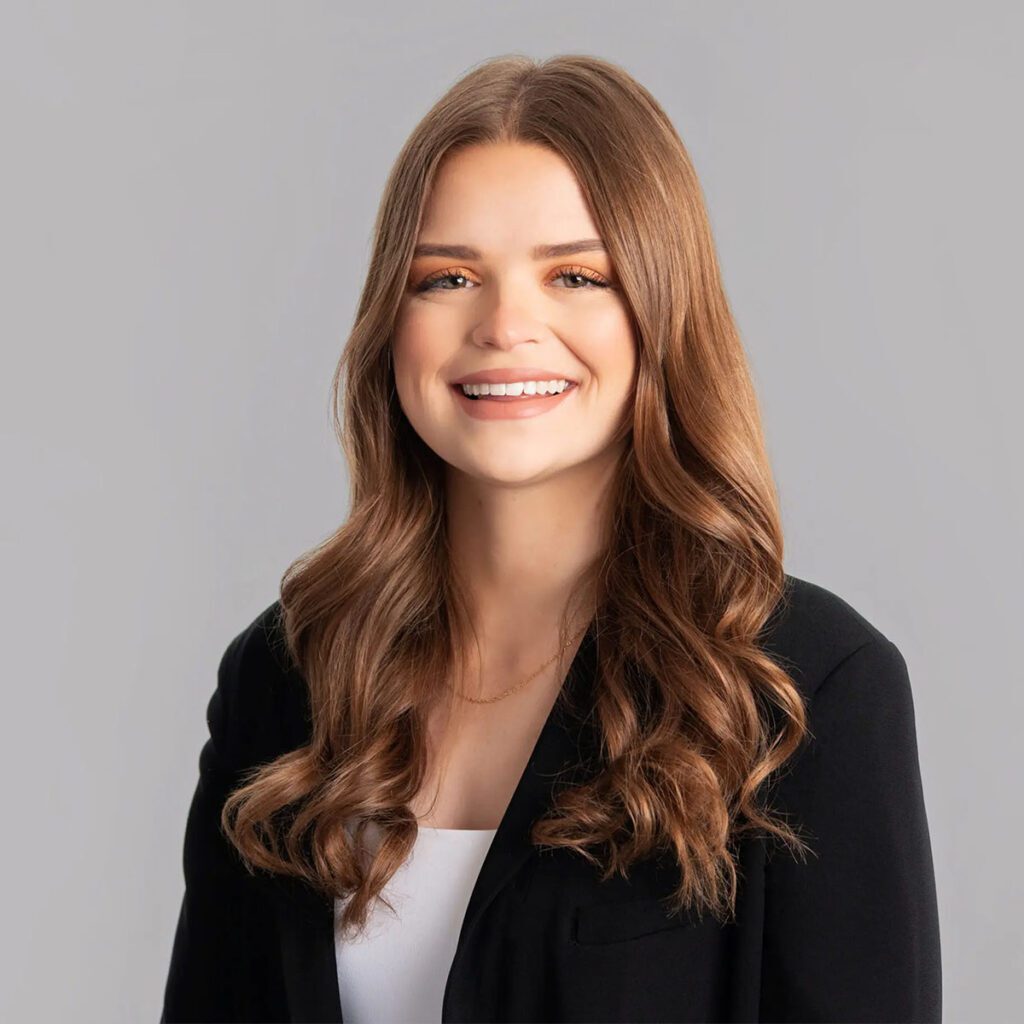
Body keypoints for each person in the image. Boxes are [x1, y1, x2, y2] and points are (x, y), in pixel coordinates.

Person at [161, 53, 941, 1023]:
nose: (505, 325)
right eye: (448, 277)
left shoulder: (801, 687)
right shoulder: (286, 678)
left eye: (575, 275)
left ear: (659, 314)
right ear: (389, 323)